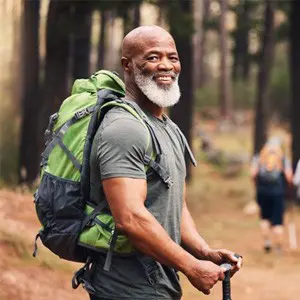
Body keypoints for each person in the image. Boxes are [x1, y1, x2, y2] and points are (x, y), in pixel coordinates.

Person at [88, 25, 242, 300]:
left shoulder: (167, 127)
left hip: (158, 287)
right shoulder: (124, 128)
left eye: (172, 57)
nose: (166, 66)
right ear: (128, 64)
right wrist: (191, 267)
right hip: (126, 290)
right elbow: (130, 218)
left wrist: (204, 252)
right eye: (152, 57)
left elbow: (173, 202)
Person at [251, 136, 293, 253]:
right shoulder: (283, 158)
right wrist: (288, 189)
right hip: (277, 192)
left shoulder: (259, 157)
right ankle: (278, 246)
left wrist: (256, 185)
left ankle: (267, 242)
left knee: (264, 217)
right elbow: (289, 176)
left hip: (262, 191)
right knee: (277, 220)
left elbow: (253, 174)